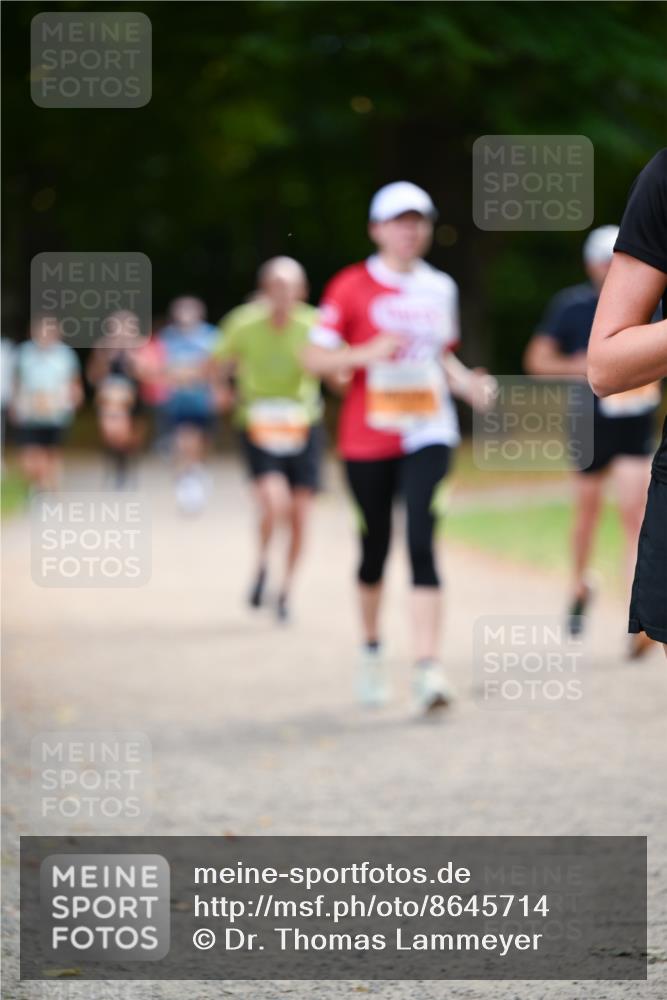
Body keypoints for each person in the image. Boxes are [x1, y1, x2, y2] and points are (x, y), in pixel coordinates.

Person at [304, 181, 496, 713]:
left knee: (421, 539)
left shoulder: (440, 288)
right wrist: (365, 352)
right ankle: (371, 652)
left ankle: (428, 670)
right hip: (367, 438)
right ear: (377, 229)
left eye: (419, 221)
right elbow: (315, 360)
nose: (411, 230)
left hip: (429, 432)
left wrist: (469, 385)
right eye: (399, 221)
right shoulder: (350, 286)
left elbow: (441, 359)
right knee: (374, 551)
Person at [524, 226, 661, 657]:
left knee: (634, 517)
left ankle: (633, 618)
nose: (608, 268)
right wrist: (588, 368)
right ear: (590, 264)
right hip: (589, 424)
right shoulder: (573, 305)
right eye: (602, 260)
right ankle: (579, 583)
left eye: (613, 259)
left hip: (634, 423)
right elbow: (536, 360)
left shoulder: (655, 302)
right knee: (585, 516)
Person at [213, 257, 323, 622]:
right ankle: (262, 562)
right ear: (263, 289)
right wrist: (221, 389)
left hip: (303, 424)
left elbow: (337, 366)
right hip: (258, 422)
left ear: (302, 291)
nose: (282, 293)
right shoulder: (242, 323)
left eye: (289, 286)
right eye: (275, 285)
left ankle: (286, 591)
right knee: (274, 503)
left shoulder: (315, 325)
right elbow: (217, 364)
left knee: (300, 516)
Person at [588, 149, 667, 656]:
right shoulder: (665, 177)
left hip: (638, 428)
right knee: (602, 512)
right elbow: (604, 366)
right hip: (599, 427)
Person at [158, 297, 218, 514]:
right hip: (178, 401)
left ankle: (196, 473)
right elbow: (162, 367)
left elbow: (215, 366)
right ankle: (187, 482)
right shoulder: (168, 338)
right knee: (183, 440)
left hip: (202, 400)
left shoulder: (210, 335)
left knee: (201, 442)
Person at [11, 315, 83, 493]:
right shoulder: (24, 353)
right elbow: (17, 381)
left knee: (52, 453)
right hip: (30, 412)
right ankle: (39, 483)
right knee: (30, 455)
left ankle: (49, 485)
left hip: (56, 413)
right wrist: (15, 403)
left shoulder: (66, 355)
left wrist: (74, 399)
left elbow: (74, 383)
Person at [86, 310, 145, 489]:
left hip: (135, 399)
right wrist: (105, 357)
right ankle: (115, 471)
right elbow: (93, 377)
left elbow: (147, 375)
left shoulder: (141, 346)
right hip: (110, 401)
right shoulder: (103, 347)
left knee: (132, 439)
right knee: (112, 437)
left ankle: (129, 471)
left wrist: (131, 357)